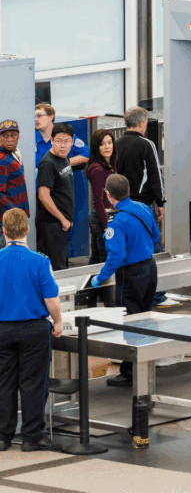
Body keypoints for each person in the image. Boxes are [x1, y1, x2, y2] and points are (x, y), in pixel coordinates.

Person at [0, 209, 64, 452]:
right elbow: (51, 300)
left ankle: (2, 436)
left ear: (4, 231)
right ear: (27, 230)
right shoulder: (40, 261)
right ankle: (31, 437)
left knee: (3, 383)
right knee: (33, 383)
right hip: (33, 330)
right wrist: (58, 322)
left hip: (2, 329)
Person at [90, 175, 160, 387]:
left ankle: (130, 373)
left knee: (131, 322)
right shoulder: (143, 208)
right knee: (145, 319)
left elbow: (116, 256)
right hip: (150, 269)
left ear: (108, 195)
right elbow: (156, 237)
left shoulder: (117, 221)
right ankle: (145, 367)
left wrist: (100, 278)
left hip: (131, 276)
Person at [114, 106, 167, 306]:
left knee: (130, 250)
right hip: (144, 206)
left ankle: (132, 295)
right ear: (142, 123)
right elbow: (155, 176)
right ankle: (156, 295)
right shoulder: (146, 144)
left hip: (122, 207)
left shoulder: (116, 144)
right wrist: (160, 202)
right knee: (152, 249)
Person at [36, 122, 76, 270]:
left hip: (62, 224)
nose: (63, 145)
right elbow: (43, 196)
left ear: (72, 141)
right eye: (58, 141)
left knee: (62, 264)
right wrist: (62, 219)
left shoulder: (64, 157)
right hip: (52, 225)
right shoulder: (48, 163)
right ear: (52, 140)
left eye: (66, 141)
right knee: (56, 269)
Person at [85, 130, 117, 265]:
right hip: (101, 216)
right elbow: (98, 200)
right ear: (96, 147)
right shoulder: (97, 170)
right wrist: (106, 225)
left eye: (109, 143)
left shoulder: (109, 164)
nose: (107, 147)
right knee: (103, 257)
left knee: (97, 257)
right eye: (102, 144)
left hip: (106, 214)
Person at [0, 120, 30, 249]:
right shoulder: (2, 159)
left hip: (12, 221)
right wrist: (15, 213)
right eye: (5, 136)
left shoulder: (12, 155)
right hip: (7, 223)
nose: (9, 139)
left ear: (18, 136)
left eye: (13, 135)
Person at [34, 104, 89, 168]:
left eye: (39, 116)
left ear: (51, 117)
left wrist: (62, 163)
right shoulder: (31, 140)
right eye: (34, 116)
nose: (35, 119)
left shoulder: (65, 136)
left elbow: (87, 154)